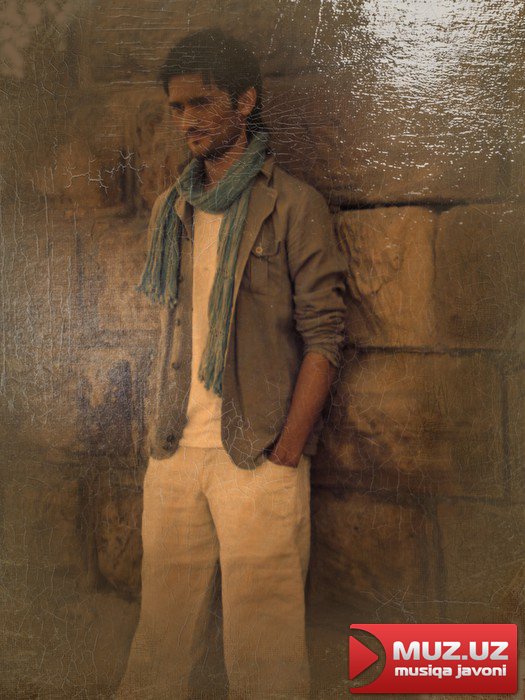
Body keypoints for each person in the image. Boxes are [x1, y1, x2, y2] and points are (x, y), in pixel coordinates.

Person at [116, 28, 347, 700]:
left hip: (257, 451)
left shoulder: (292, 206)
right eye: (176, 107)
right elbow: (165, 328)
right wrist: (156, 441)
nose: (186, 119)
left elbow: (325, 338)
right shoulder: (171, 209)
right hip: (174, 448)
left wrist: (285, 453)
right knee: (159, 641)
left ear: (244, 101)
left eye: (201, 102)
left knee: (265, 650)